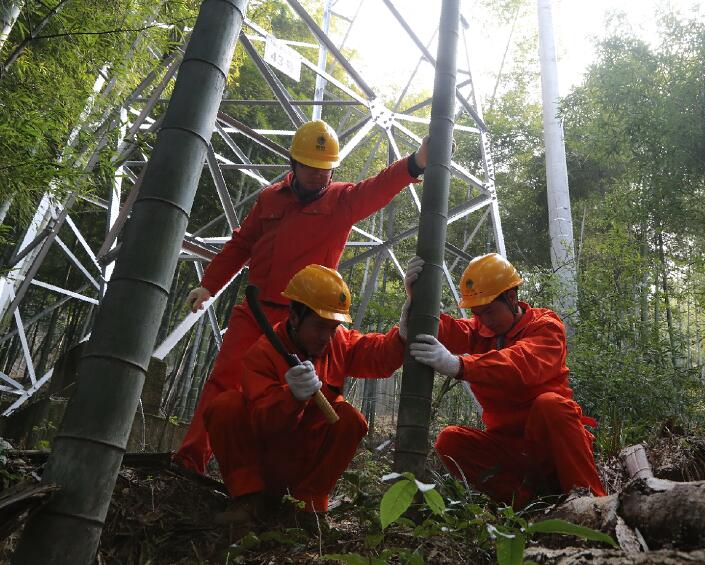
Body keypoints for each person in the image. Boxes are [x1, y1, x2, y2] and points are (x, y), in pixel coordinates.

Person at [174, 120, 428, 474]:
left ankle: (287, 482)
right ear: (294, 163)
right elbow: (241, 244)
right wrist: (209, 285)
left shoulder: (342, 200)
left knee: (303, 396)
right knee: (224, 381)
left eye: (324, 169)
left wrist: (414, 163)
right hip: (257, 311)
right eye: (310, 166)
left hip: (306, 320)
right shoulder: (269, 198)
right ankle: (190, 461)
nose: (317, 175)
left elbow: (377, 188)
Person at [203, 264, 405, 523]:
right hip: (262, 466)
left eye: (333, 327)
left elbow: (378, 356)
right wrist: (291, 397)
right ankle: (248, 501)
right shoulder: (263, 353)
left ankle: (308, 510)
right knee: (225, 405)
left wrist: (404, 334)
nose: (327, 337)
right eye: (320, 327)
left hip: (302, 468)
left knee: (350, 418)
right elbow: (264, 425)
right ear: (295, 317)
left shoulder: (337, 342)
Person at [401, 254, 606, 507]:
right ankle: (527, 504)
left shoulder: (546, 326)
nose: (483, 320)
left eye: (488, 311)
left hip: (554, 446)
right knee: (450, 440)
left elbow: (521, 363)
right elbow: (444, 328)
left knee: (550, 404)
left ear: (511, 297)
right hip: (510, 451)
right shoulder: (479, 330)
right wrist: (416, 301)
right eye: (477, 313)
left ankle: (594, 505)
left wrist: (459, 365)